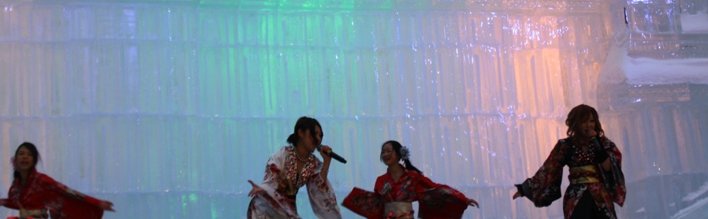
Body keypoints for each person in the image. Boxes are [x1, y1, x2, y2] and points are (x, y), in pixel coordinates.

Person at [513, 104, 626, 219]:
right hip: (576, 198)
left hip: (600, 197)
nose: (589, 125)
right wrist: (525, 189)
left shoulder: (603, 143)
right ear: (576, 124)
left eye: (591, 121)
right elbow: (549, 169)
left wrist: (598, 145)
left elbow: (608, 168)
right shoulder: (565, 145)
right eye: (584, 122)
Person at [342, 140, 479, 219]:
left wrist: (462, 199)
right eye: (383, 152)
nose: (385, 154)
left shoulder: (412, 177)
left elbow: (435, 189)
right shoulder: (381, 180)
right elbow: (377, 205)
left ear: (398, 153)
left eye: (389, 151)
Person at [0, 142, 114, 219]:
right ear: (15, 159)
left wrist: (96, 202)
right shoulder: (16, 185)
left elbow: (65, 191)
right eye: (21, 154)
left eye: (29, 154)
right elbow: (15, 204)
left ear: (34, 160)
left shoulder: (41, 180)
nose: (25, 157)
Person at [247, 116, 343, 219]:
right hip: (267, 206)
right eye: (314, 134)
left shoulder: (313, 162)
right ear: (301, 133)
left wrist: (327, 162)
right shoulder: (283, 154)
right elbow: (271, 178)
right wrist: (264, 188)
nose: (318, 139)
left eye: (320, 135)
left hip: (288, 209)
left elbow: (319, 188)